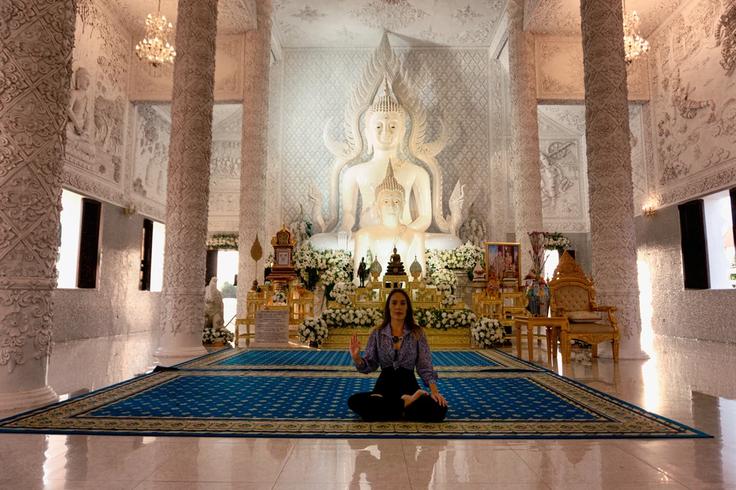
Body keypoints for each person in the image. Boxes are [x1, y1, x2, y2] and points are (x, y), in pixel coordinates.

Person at [347, 289, 448, 422]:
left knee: (440, 409)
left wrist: (434, 392)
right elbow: (370, 365)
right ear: (388, 307)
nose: (398, 307)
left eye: (402, 303)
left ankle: (389, 410)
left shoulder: (417, 333)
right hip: (384, 388)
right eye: (394, 303)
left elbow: (425, 366)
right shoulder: (377, 333)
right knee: (354, 401)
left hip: (409, 387)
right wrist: (356, 358)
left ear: (408, 307)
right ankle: (406, 405)